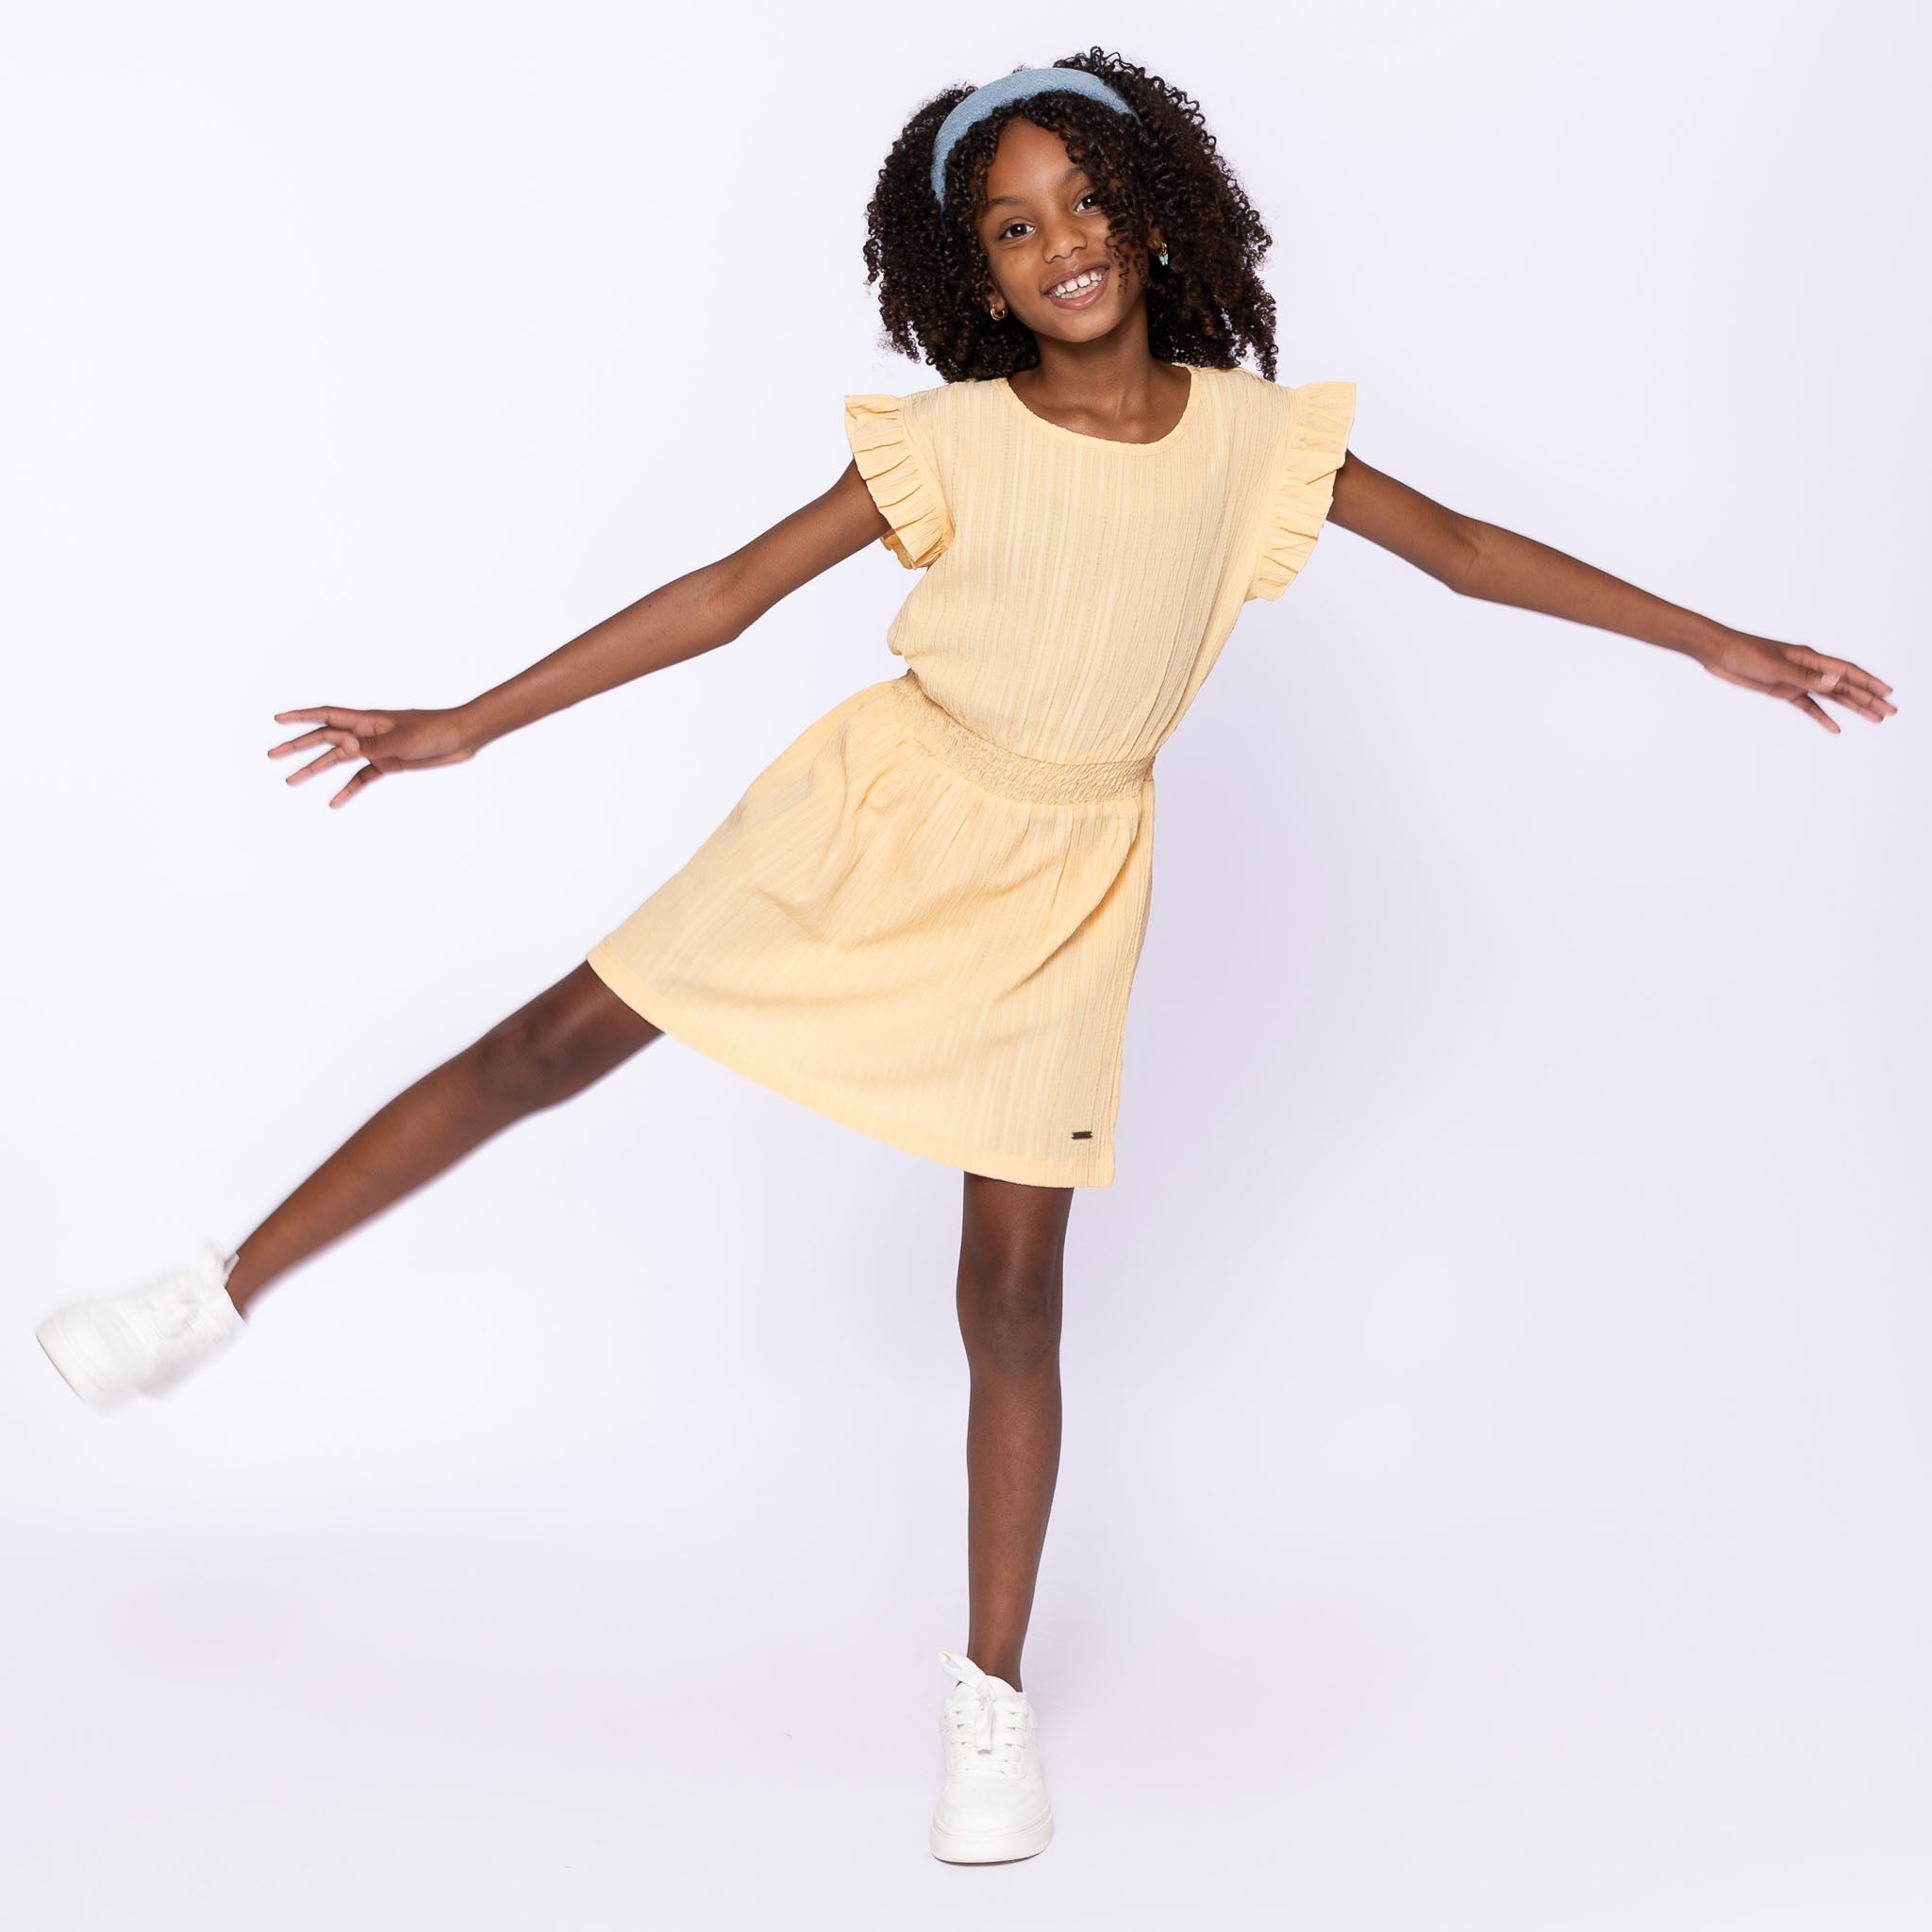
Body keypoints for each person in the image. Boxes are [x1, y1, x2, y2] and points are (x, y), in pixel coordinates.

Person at [31, 49, 1894, 1867]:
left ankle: (989, 1695)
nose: (1059, 242)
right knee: (553, 1046)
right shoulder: (955, 443)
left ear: (1152, 219)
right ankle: (216, 1288)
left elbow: (1470, 550)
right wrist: (470, 722)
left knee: (1011, 1296)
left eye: (1085, 203)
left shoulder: (1258, 443)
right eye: (1013, 226)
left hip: (1068, 875)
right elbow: (724, 596)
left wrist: (1720, 643)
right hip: (882, 807)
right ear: (976, 274)